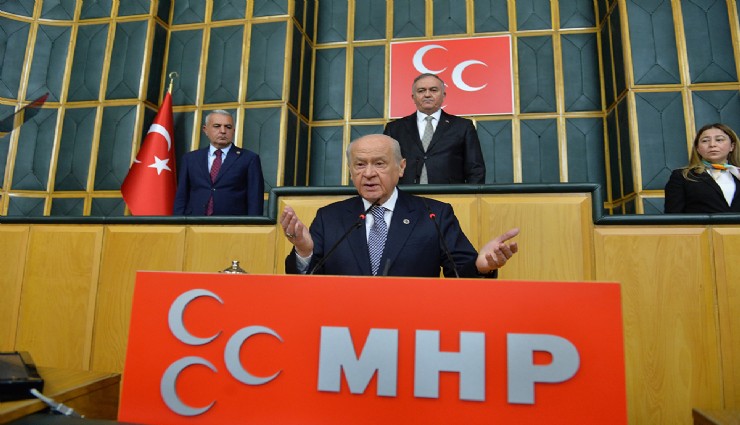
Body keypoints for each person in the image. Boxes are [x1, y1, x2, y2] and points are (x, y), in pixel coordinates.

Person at [280, 134, 518, 277]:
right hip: (343, 328)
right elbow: (307, 283)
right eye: (360, 165)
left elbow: (460, 273)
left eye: (379, 164)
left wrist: (481, 266)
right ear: (351, 171)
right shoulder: (329, 217)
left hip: (412, 329)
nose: (368, 173)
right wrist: (304, 251)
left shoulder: (434, 214)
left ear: (401, 167)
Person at [383, 73, 486, 184]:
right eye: (421, 91)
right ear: (413, 97)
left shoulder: (463, 126)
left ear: (443, 95)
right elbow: (383, 166)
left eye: (433, 90)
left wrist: (471, 194)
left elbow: (476, 170)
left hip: (450, 193)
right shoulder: (395, 128)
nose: (427, 95)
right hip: (405, 193)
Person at [174, 110, 265, 215]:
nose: (223, 131)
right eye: (217, 126)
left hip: (233, 222)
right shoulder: (190, 159)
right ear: (205, 130)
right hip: (194, 220)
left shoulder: (249, 159)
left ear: (234, 131)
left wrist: (253, 224)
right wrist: (178, 221)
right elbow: (181, 196)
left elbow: (255, 199)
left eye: (228, 127)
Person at [664, 123, 740, 213]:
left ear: (732, 146)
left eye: (719, 140)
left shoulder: (737, 173)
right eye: (705, 141)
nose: (712, 144)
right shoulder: (682, 176)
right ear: (698, 148)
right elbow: (673, 215)